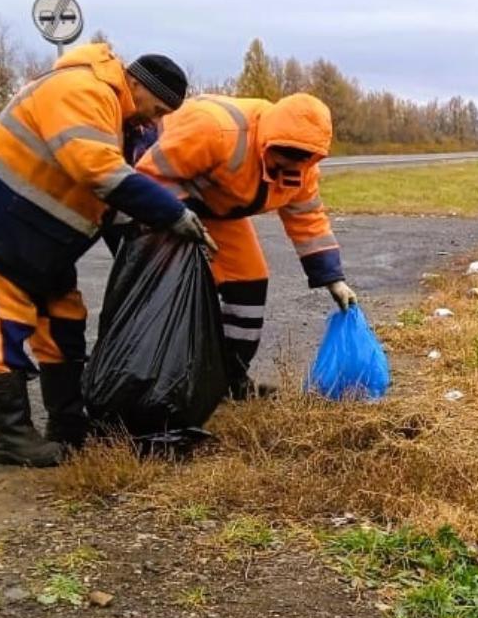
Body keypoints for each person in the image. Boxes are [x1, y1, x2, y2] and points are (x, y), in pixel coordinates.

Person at [0, 42, 216, 468]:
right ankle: (13, 437)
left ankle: (67, 425)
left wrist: (153, 254)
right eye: (157, 108)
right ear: (137, 85)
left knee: (65, 322)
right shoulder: (83, 90)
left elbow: (110, 202)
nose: (155, 119)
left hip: (44, 237)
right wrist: (170, 213)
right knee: (4, 325)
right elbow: (99, 171)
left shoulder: (122, 119)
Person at [133, 92, 356, 397]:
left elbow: (307, 218)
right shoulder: (216, 131)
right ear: (267, 138)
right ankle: (153, 385)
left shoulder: (302, 167)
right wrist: (175, 218)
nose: (287, 162)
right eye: (282, 152)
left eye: (299, 157)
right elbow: (148, 177)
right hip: (164, 195)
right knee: (169, 287)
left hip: (219, 207)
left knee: (249, 282)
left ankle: (227, 381)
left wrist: (333, 278)